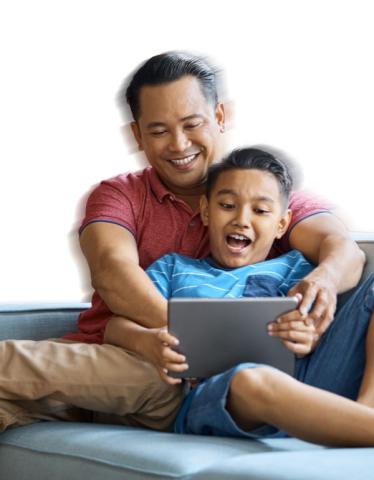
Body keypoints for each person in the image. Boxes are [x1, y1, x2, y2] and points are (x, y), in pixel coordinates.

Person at [0, 52, 365, 434]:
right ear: (137, 135)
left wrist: (323, 279)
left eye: (192, 124)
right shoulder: (119, 195)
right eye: (158, 131)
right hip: (127, 356)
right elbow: (112, 271)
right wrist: (197, 340)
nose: (178, 144)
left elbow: (341, 247)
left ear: (220, 117)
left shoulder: (265, 195)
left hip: (169, 381)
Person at [121, 147, 374, 447]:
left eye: (260, 211)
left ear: (282, 224)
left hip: (313, 382)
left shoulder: (297, 268)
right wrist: (147, 341)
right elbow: (115, 326)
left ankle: (366, 412)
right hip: (224, 396)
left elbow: (320, 316)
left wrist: (310, 332)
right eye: (227, 205)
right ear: (205, 210)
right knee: (251, 379)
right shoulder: (174, 269)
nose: (241, 220)